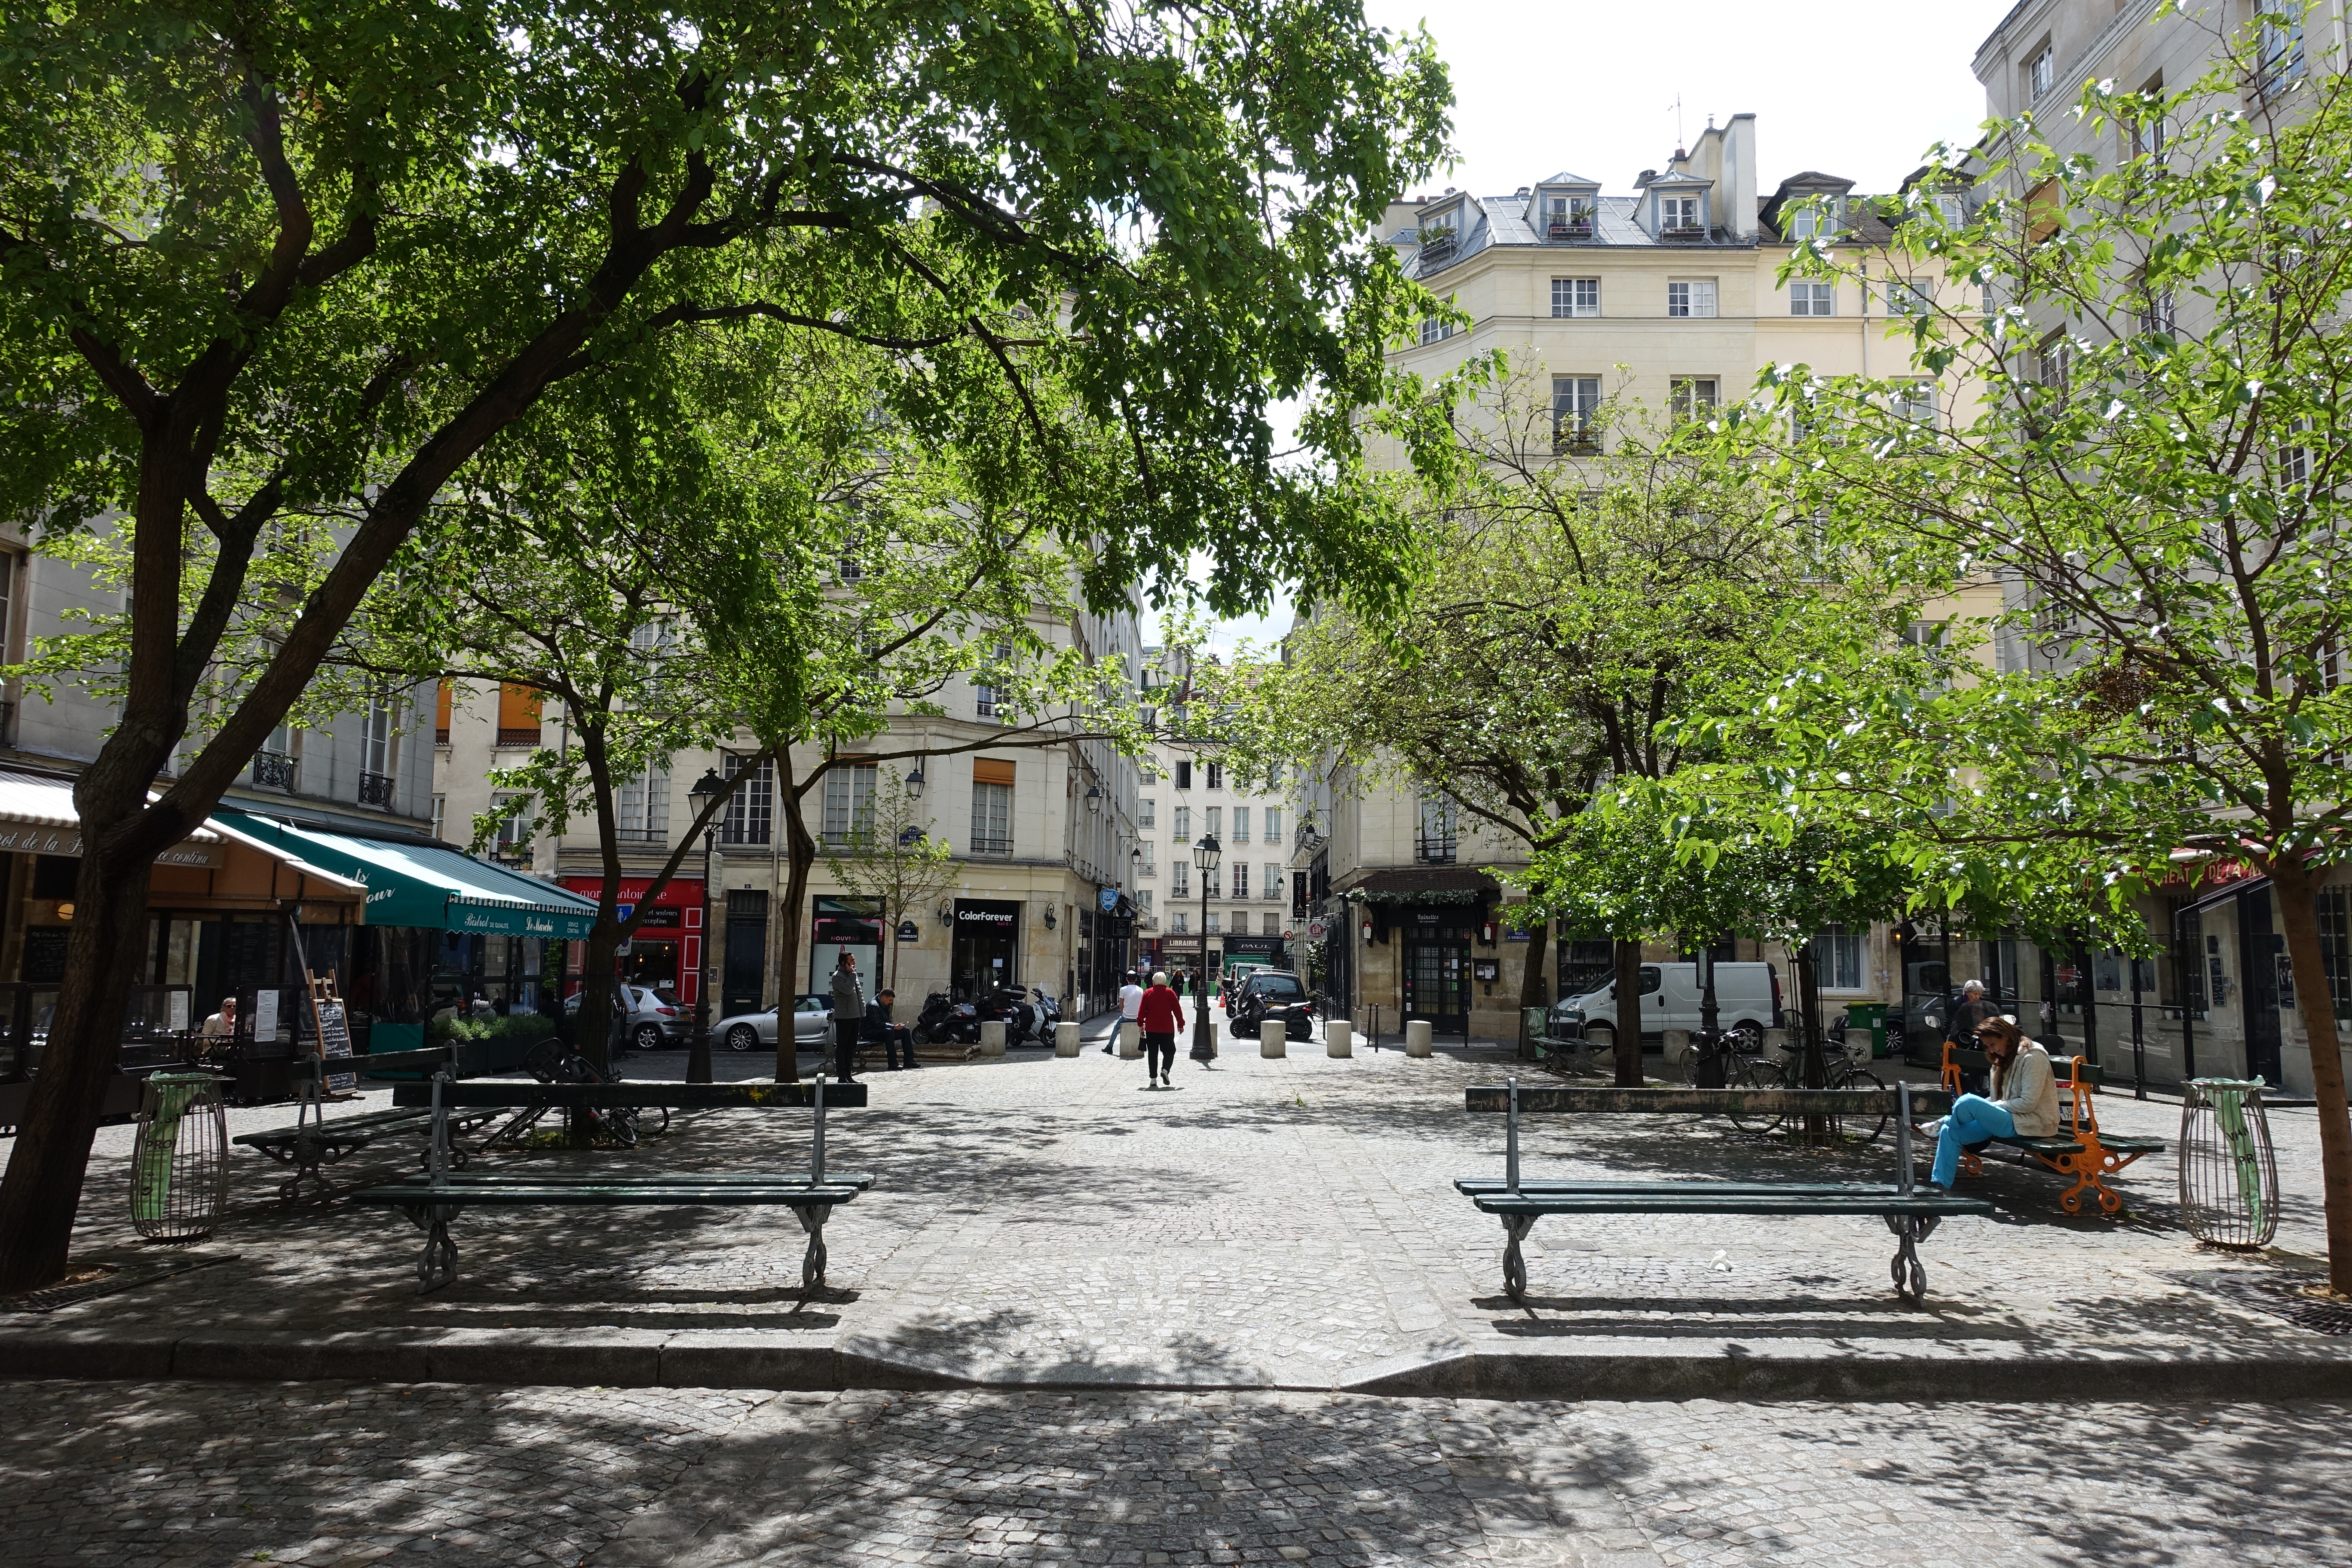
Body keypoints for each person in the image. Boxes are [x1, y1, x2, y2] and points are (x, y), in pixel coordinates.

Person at [1928, 1015, 2061, 1189]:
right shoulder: (2004, 1059)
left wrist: (1989, 1107)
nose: (1991, 1050)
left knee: (1968, 1101)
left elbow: (2028, 1103)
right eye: (1987, 1046)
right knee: (1950, 1131)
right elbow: (1997, 1100)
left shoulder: (2033, 1058)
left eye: (1992, 1044)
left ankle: (1946, 1119)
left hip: (2031, 1122)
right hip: (2009, 1118)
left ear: (2005, 1036)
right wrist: (1989, 1107)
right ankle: (1940, 1187)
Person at [1137, 970, 1184, 1086]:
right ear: (1165, 981)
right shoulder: (1170, 993)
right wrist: (1180, 1024)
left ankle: (1153, 1078)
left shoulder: (1148, 993)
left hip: (1151, 1028)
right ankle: (1165, 1070)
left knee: (1152, 1054)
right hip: (1167, 1029)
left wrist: (1140, 1024)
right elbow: (1177, 1011)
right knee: (1170, 1051)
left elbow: (1142, 1011)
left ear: (1154, 981)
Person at [829, 951, 867, 1080]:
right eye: (852, 960)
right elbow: (847, 990)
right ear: (844, 963)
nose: (854, 963)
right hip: (844, 1018)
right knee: (842, 1047)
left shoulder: (852, 975)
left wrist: (862, 1013)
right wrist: (852, 975)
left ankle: (849, 1075)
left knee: (851, 1047)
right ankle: (842, 1075)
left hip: (855, 1016)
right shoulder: (837, 977)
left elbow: (858, 996)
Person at [863, 987, 919, 1071]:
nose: (890, 1003)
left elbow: (886, 1021)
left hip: (882, 1030)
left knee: (905, 1031)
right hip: (871, 1032)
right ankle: (893, 1063)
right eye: (889, 1000)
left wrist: (895, 1027)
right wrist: (894, 1027)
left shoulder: (883, 1004)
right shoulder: (873, 1005)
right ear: (884, 997)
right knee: (889, 1032)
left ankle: (909, 1061)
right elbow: (877, 1024)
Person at [1109, 970, 1144, 1054]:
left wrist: (1123, 1012)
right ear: (1136, 979)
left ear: (1127, 979)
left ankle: (1110, 1046)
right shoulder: (1141, 990)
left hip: (1126, 1017)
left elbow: (1121, 1004)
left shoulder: (1123, 990)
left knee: (1116, 1028)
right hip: (1137, 1017)